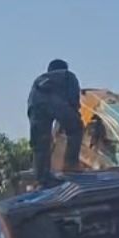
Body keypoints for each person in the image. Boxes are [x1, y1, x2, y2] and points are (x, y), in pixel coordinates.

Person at [28, 59, 84, 188]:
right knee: (76, 128)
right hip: (55, 103)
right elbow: (73, 99)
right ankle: (70, 164)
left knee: (40, 143)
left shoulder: (39, 80)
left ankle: (41, 177)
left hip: (34, 105)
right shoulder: (67, 75)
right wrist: (72, 118)